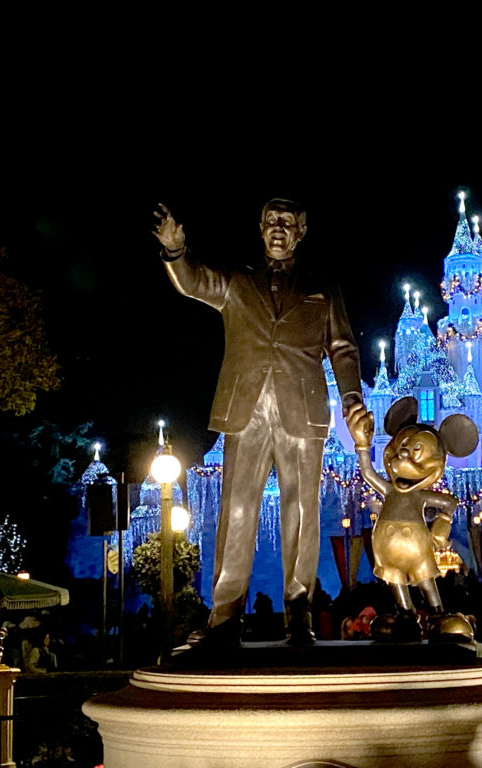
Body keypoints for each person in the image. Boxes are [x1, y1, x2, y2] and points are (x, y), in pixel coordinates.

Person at [154, 199, 363, 646]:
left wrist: (351, 398)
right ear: (259, 228)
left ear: (302, 229)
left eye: (287, 222)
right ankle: (225, 618)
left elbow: (343, 347)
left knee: (301, 513)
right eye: (270, 222)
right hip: (244, 410)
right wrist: (175, 251)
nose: (277, 230)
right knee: (237, 510)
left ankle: (300, 615)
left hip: (302, 413)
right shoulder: (238, 282)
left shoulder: (322, 286)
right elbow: (193, 283)